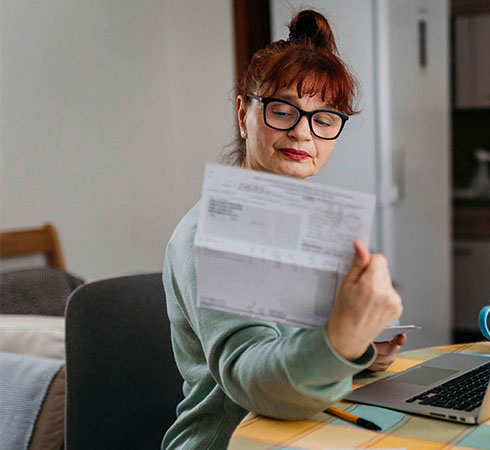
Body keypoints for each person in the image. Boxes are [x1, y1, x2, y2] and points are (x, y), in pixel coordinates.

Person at [161, 10, 405, 450]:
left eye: (324, 118)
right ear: (243, 112)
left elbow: (289, 343)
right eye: (281, 110)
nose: (301, 133)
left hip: (305, 432)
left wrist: (354, 353)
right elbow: (252, 380)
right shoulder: (212, 228)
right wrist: (342, 338)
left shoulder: (302, 222)